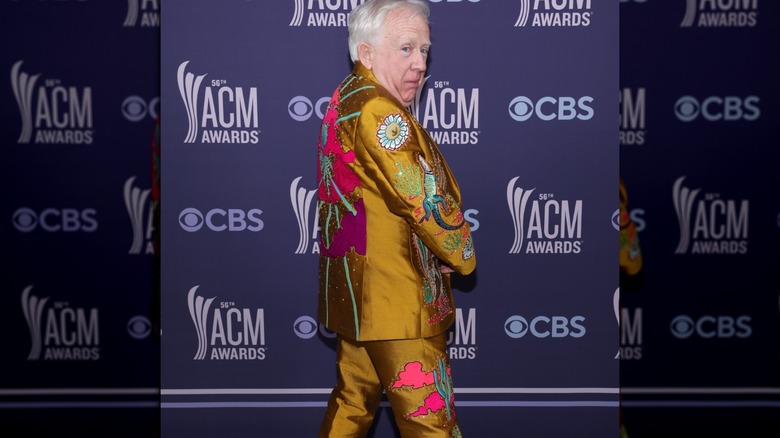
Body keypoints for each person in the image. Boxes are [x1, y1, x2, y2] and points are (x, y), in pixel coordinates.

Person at [316, 0, 476, 436]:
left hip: (359, 296)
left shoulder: (345, 96)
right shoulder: (380, 111)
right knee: (433, 427)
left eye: (424, 50)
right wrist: (461, 253)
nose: (420, 63)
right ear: (366, 53)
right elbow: (421, 201)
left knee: (351, 406)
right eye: (406, 49)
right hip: (399, 300)